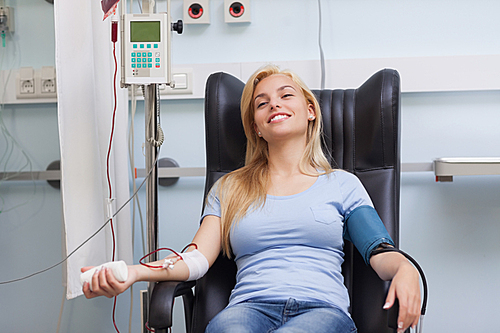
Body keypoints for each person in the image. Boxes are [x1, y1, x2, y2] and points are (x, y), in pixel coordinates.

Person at [82, 65, 421, 333]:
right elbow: (196, 260)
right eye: (262, 102)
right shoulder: (230, 188)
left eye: (286, 95)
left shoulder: (342, 185)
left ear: (310, 110)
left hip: (322, 311)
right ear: (257, 127)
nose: (274, 103)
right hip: (248, 310)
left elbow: (379, 252)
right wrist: (132, 273)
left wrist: (406, 269)